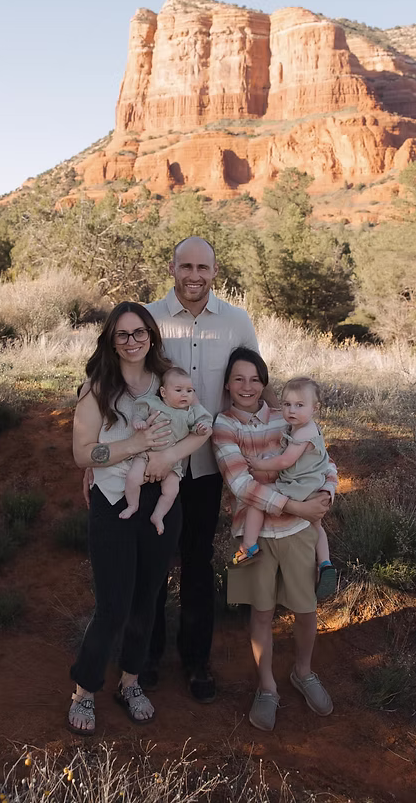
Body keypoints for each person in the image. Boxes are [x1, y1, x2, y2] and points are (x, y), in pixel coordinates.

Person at [68, 302, 210, 736]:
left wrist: (166, 456)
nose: (132, 341)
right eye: (122, 335)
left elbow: (197, 429)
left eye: (139, 332)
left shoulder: (170, 382)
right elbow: (81, 454)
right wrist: (135, 444)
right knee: (113, 605)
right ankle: (84, 690)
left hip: (160, 504)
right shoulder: (98, 390)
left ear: (152, 334)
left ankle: (130, 682)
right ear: (111, 341)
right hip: (114, 503)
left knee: (147, 599)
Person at [143, 236, 272, 702]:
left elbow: (254, 381)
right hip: (154, 463)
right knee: (152, 563)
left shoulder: (236, 321)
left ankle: (197, 661)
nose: (194, 275)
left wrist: (289, 436)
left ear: (215, 271)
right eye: (186, 266)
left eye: (203, 267)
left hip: (211, 464)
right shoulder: (148, 319)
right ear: (172, 267)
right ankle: (146, 655)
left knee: (198, 562)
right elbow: (115, 383)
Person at [212, 348, 337, 732]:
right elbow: (241, 485)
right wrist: (298, 507)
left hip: (297, 533)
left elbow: (323, 461)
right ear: (227, 385)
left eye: (254, 379)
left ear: (264, 382)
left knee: (305, 608)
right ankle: (266, 687)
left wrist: (326, 495)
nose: (247, 387)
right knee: (261, 613)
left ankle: (303, 671)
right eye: (238, 379)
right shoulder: (223, 426)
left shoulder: (289, 415)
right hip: (254, 532)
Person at [231, 376, 338, 600]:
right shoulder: (305, 427)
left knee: (257, 501)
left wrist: (259, 464)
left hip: (300, 485)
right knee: (316, 524)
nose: (291, 410)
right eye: (287, 404)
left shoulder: (303, 432)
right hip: (312, 483)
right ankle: (326, 563)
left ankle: (248, 546)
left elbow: (284, 462)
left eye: (299, 405)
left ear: (315, 408)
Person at [121, 367, 213, 534]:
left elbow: (200, 429)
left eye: (189, 391)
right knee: (133, 478)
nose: (185, 394)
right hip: (146, 453)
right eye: (178, 390)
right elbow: (138, 414)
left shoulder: (190, 413)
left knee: (172, 491)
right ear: (163, 392)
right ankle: (132, 505)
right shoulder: (153, 403)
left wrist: (201, 429)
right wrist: (139, 422)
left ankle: (158, 515)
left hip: (173, 462)